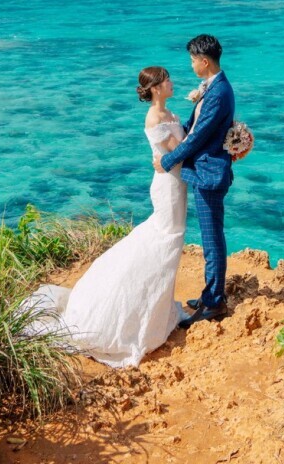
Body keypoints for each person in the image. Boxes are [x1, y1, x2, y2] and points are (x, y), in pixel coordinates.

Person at [17, 66, 188, 368]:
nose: (173, 83)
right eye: (168, 80)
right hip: (168, 187)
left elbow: (182, 144)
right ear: (157, 88)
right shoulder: (155, 117)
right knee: (166, 242)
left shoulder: (170, 113)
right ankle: (136, 319)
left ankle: (155, 310)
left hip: (176, 184)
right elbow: (182, 150)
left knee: (167, 244)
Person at [154, 34, 235, 327]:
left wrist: (166, 160)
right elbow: (193, 126)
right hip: (205, 171)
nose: (190, 65)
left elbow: (199, 137)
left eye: (192, 60)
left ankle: (214, 303)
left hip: (209, 175)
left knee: (212, 241)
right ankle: (209, 295)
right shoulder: (212, 88)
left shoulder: (219, 92)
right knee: (210, 239)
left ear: (204, 61)